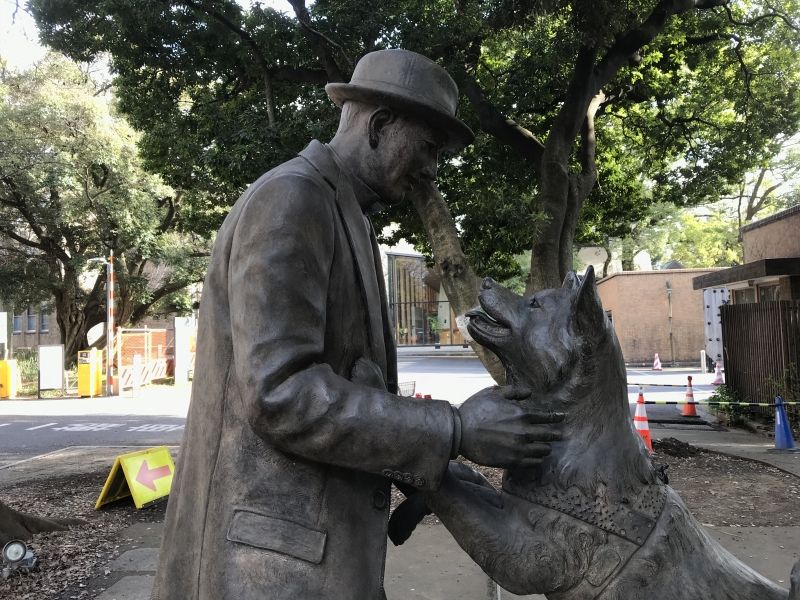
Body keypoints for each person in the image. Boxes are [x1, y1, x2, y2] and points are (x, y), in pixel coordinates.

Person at [151, 49, 563, 600]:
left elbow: (355, 385)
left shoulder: (350, 220)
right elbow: (280, 393)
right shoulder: (292, 199)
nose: (432, 168)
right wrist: (454, 430)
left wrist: (427, 467)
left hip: (311, 557)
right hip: (268, 565)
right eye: (429, 148)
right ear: (380, 126)